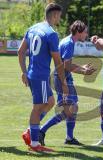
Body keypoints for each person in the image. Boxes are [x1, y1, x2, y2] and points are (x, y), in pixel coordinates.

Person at [18, 3, 68, 152]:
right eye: (59, 15)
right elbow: (58, 61)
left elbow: (20, 52)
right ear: (54, 15)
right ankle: (34, 144)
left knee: (50, 101)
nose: (60, 18)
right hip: (40, 76)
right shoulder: (51, 34)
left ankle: (30, 131)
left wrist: (24, 72)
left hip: (34, 74)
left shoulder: (32, 28)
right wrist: (64, 83)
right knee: (38, 108)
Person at [38, 20, 96, 146]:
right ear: (79, 32)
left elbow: (66, 63)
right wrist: (83, 71)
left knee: (72, 108)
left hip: (63, 77)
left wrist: (82, 67)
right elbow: (67, 65)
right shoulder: (69, 43)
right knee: (69, 110)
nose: (86, 35)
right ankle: (41, 131)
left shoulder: (68, 41)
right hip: (62, 79)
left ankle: (69, 138)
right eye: (85, 32)